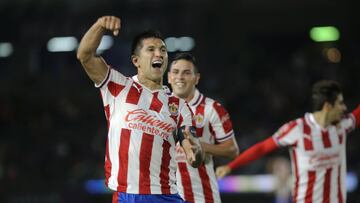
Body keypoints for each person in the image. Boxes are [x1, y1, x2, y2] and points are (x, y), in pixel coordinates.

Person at [77, 16, 203, 203]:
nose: (159, 54)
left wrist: (195, 153)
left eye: (163, 50)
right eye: (151, 50)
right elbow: (85, 55)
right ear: (136, 60)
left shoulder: (179, 106)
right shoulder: (118, 86)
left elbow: (192, 151)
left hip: (165, 195)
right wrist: (100, 26)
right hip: (125, 195)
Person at [216, 80, 360, 203]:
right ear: (328, 106)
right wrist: (231, 166)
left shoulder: (342, 126)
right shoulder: (297, 129)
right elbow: (262, 148)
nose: (344, 108)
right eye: (340, 103)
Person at [168, 52, 239, 202]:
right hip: (166, 196)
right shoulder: (159, 108)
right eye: (175, 72)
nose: (180, 77)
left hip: (201, 197)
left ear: (196, 78)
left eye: (186, 73)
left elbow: (232, 150)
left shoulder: (212, 108)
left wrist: (200, 146)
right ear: (168, 77)